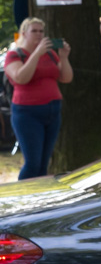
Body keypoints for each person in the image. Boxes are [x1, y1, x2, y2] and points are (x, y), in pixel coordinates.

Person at [3, 17, 73, 179]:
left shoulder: (50, 54)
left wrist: (63, 56)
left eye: (41, 31)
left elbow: (66, 78)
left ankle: (38, 199)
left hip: (52, 111)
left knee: (43, 163)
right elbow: (21, 78)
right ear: (24, 33)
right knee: (32, 163)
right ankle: (22, 197)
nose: (39, 35)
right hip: (27, 113)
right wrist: (36, 54)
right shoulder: (15, 54)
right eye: (34, 31)